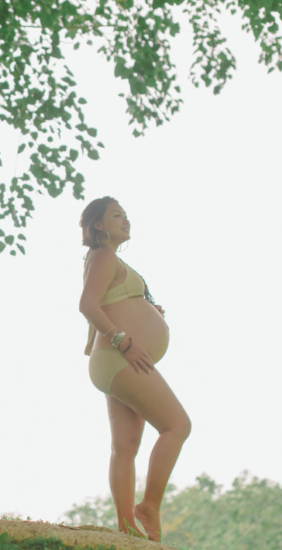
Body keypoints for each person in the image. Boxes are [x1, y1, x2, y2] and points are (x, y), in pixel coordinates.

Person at [78, 196, 191, 542]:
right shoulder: (103, 255)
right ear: (98, 225)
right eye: (116, 216)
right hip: (119, 357)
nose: (126, 221)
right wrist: (123, 339)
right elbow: (86, 304)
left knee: (125, 446)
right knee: (177, 425)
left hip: (113, 362)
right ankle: (149, 506)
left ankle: (126, 527)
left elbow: (111, 300)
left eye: (126, 216)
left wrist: (146, 309)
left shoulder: (105, 260)